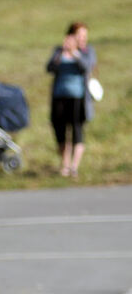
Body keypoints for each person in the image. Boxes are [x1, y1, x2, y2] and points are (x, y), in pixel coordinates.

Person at [46, 22, 97, 178]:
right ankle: (65, 165)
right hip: (59, 96)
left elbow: (87, 67)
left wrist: (75, 53)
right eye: (79, 35)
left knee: (77, 130)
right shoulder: (59, 51)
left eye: (84, 36)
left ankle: (74, 166)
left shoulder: (87, 52)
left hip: (78, 97)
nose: (82, 39)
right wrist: (62, 53)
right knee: (60, 131)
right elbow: (49, 68)